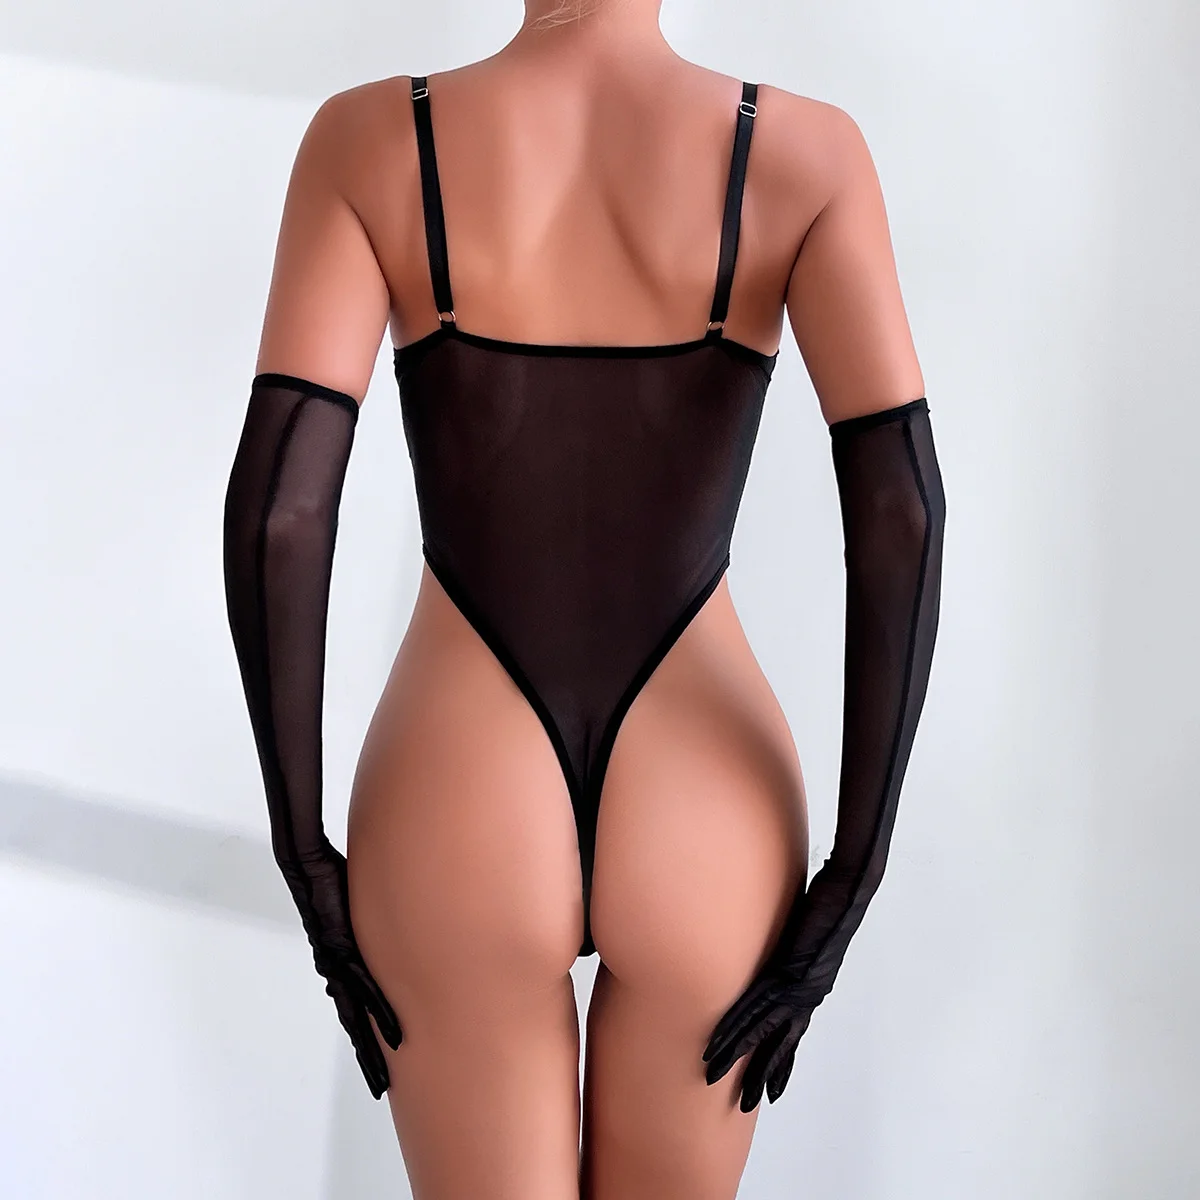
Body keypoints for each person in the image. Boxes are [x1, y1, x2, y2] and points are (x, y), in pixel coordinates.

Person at [221, 0, 946, 1195]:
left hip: (462, 772)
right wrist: (852, 874)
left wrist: (304, 857)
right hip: (704, 779)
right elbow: (902, 511)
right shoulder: (805, 155)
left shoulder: (372, 141)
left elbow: (279, 516)